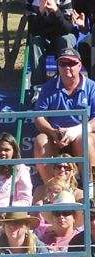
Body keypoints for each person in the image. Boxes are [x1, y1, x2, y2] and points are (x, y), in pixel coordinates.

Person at [33, 47, 95, 183]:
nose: (67, 67)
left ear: (80, 65)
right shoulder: (48, 88)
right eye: (62, 64)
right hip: (56, 135)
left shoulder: (92, 87)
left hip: (82, 133)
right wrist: (53, 132)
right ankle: (52, 189)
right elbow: (39, 117)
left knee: (86, 139)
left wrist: (76, 130)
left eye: (71, 63)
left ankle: (90, 189)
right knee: (41, 140)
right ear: (58, 67)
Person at [26, 0, 76, 88]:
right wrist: (41, 12)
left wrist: (56, 10)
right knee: (35, 41)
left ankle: (65, 84)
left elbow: (68, 28)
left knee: (66, 40)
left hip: (61, 35)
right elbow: (33, 30)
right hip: (42, 38)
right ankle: (38, 87)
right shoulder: (31, 1)